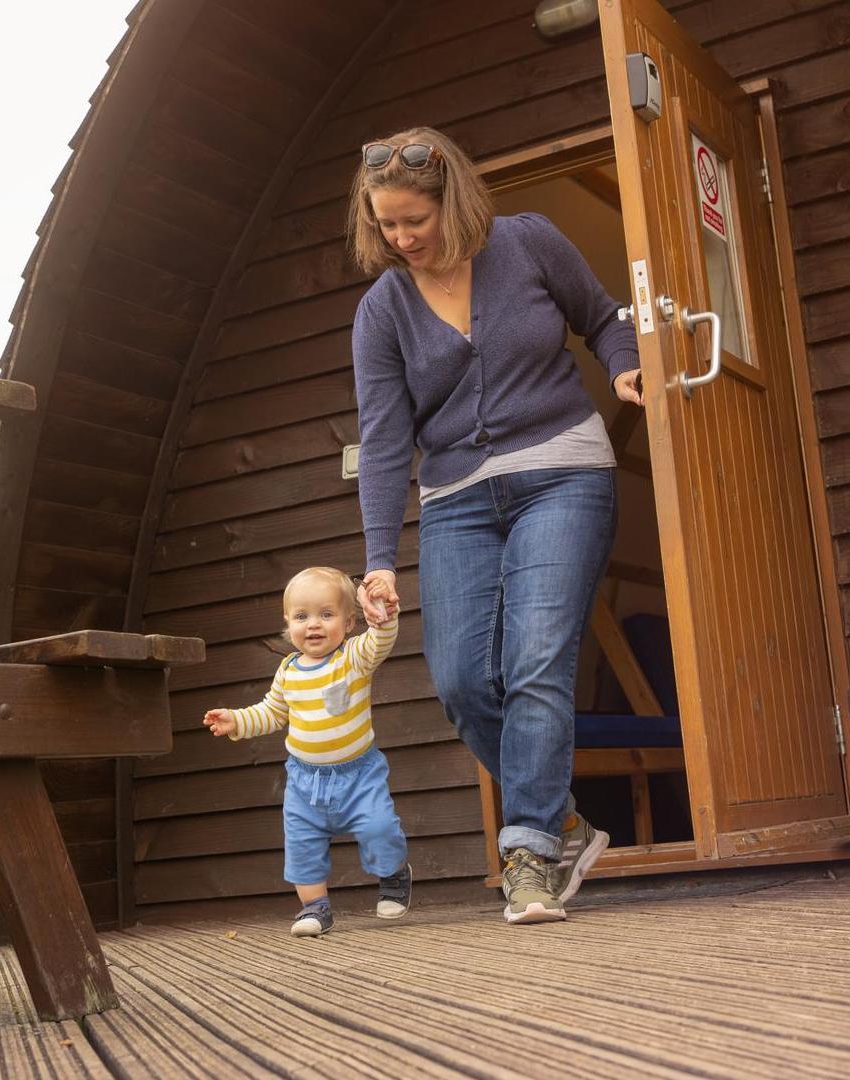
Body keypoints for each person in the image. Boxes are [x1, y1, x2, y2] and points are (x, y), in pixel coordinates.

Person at [347, 126, 644, 925]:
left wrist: (622, 364)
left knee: (537, 657)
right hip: (455, 501)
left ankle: (532, 856)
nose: (402, 239)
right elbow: (382, 442)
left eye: (416, 220)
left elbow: (606, 317)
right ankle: (570, 823)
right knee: (462, 680)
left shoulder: (529, 244)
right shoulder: (383, 311)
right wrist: (378, 559)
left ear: (455, 199)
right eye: (387, 226)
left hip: (563, 473)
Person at [203, 566, 409, 938]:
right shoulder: (288, 671)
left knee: (379, 827)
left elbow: (380, 639)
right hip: (304, 780)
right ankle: (315, 908)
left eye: (326, 615)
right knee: (301, 844)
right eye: (302, 616)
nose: (313, 625)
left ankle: (393, 873)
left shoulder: (353, 658)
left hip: (358, 775)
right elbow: (271, 712)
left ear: (348, 623)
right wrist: (236, 721)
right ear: (288, 622)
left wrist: (383, 614)